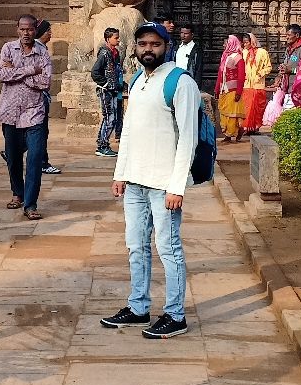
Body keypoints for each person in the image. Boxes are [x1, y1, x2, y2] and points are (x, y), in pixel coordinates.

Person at [101, 21, 200, 340]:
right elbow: (127, 130)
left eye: (154, 44)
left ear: (166, 47)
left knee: (167, 247)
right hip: (135, 181)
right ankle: (138, 306)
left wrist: (177, 186)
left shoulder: (179, 82)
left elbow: (189, 138)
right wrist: (120, 173)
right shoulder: (138, 79)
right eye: (143, 44)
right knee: (136, 246)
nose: (148, 49)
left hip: (163, 184)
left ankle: (175, 314)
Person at [0, 13, 52, 219]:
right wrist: (30, 70)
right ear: (17, 29)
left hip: (34, 112)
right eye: (22, 29)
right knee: (13, 157)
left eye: (29, 29)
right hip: (10, 112)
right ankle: (17, 193)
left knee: (35, 158)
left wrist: (18, 74)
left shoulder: (42, 52)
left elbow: (45, 82)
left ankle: (31, 204)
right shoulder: (8, 48)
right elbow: (2, 75)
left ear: (35, 30)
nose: (26, 33)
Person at [262, 24, 301, 129]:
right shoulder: (289, 49)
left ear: (296, 35)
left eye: (288, 35)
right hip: (287, 87)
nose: (286, 37)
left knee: (291, 117)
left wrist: (290, 70)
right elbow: (288, 65)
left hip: (298, 88)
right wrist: (280, 75)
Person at [91, 26, 124, 157]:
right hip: (106, 91)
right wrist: (105, 84)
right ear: (108, 39)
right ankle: (102, 145)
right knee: (109, 117)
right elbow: (95, 72)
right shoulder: (104, 53)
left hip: (114, 90)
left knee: (113, 118)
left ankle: (103, 143)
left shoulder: (114, 53)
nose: (118, 40)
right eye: (115, 38)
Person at [35, 20, 61, 175]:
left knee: (38, 130)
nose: (50, 33)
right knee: (41, 131)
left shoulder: (40, 48)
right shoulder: (38, 49)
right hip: (39, 95)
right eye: (48, 31)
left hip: (41, 93)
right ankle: (43, 163)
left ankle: (14, 151)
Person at [215, 34, 246, 141]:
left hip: (233, 90)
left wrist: (238, 92)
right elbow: (220, 74)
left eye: (226, 43)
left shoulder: (238, 58)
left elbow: (241, 76)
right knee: (224, 112)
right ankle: (228, 134)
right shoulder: (225, 57)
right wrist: (216, 89)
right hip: (224, 89)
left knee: (232, 113)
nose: (224, 45)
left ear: (232, 44)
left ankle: (234, 132)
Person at [240, 33, 272, 132]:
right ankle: (247, 128)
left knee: (258, 107)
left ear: (252, 41)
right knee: (247, 107)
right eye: (243, 43)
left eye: (246, 42)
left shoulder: (262, 52)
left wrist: (260, 74)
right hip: (246, 84)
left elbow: (268, 67)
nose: (245, 44)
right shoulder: (243, 52)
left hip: (258, 84)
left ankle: (255, 128)